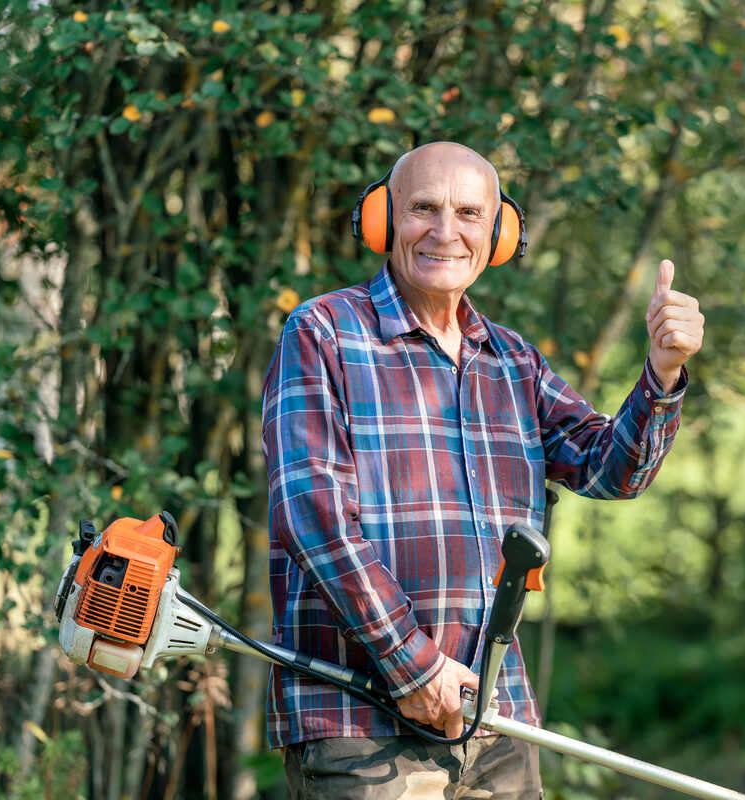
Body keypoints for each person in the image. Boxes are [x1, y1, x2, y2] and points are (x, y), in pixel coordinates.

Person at [261, 141, 704, 799]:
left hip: (492, 720)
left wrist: (663, 373)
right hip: (358, 722)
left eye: (469, 213)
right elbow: (312, 516)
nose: (446, 231)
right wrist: (413, 668)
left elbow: (613, 470)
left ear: (499, 233)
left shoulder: (511, 361)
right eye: (424, 209)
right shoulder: (325, 331)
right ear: (385, 221)